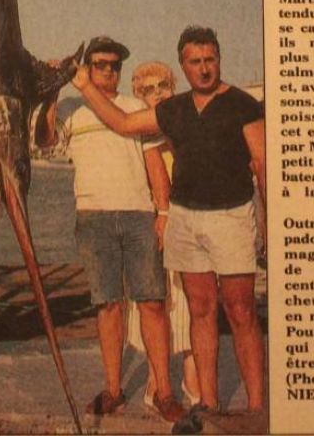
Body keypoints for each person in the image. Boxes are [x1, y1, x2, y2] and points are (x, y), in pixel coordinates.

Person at [71, 26, 266, 433]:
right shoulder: (173, 109)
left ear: (219, 59)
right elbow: (124, 124)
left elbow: (263, 166)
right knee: (200, 310)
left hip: (231, 215)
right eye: (195, 61)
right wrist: (83, 86)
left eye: (210, 59)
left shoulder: (243, 104)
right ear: (184, 65)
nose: (204, 68)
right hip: (185, 216)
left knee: (242, 311)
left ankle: (256, 406)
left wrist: (266, 221)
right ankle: (208, 403)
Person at [36, 36, 185, 424]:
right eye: (99, 64)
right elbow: (45, 140)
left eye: (114, 65)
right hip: (93, 216)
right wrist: (52, 91)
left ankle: (165, 392)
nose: (107, 71)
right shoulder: (71, 107)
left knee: (152, 303)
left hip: (138, 215)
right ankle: (114, 390)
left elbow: (155, 165)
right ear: (86, 66)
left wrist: (163, 211)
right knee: (107, 305)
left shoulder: (136, 107)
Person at [124, 61, 199, 408]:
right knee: (157, 302)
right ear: (138, 95)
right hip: (151, 226)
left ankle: (193, 378)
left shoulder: (187, 123)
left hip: (189, 222)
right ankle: (157, 376)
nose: (156, 94)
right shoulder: (137, 131)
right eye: (147, 90)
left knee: (190, 301)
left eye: (162, 86)